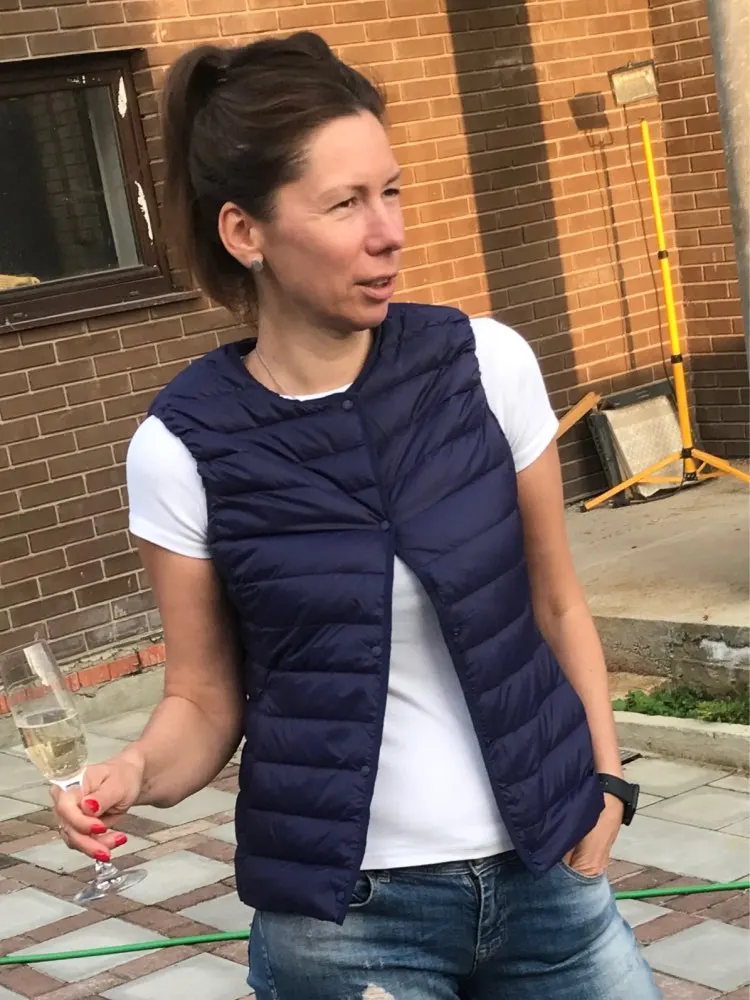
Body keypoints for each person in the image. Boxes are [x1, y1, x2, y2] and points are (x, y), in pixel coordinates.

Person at [53, 32, 661, 1000]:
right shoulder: (181, 447)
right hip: (350, 926)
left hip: (551, 874)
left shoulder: (484, 365)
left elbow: (557, 603)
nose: (389, 232)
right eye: (345, 204)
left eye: (392, 191)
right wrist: (131, 772)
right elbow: (204, 700)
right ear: (245, 232)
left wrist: (608, 783)